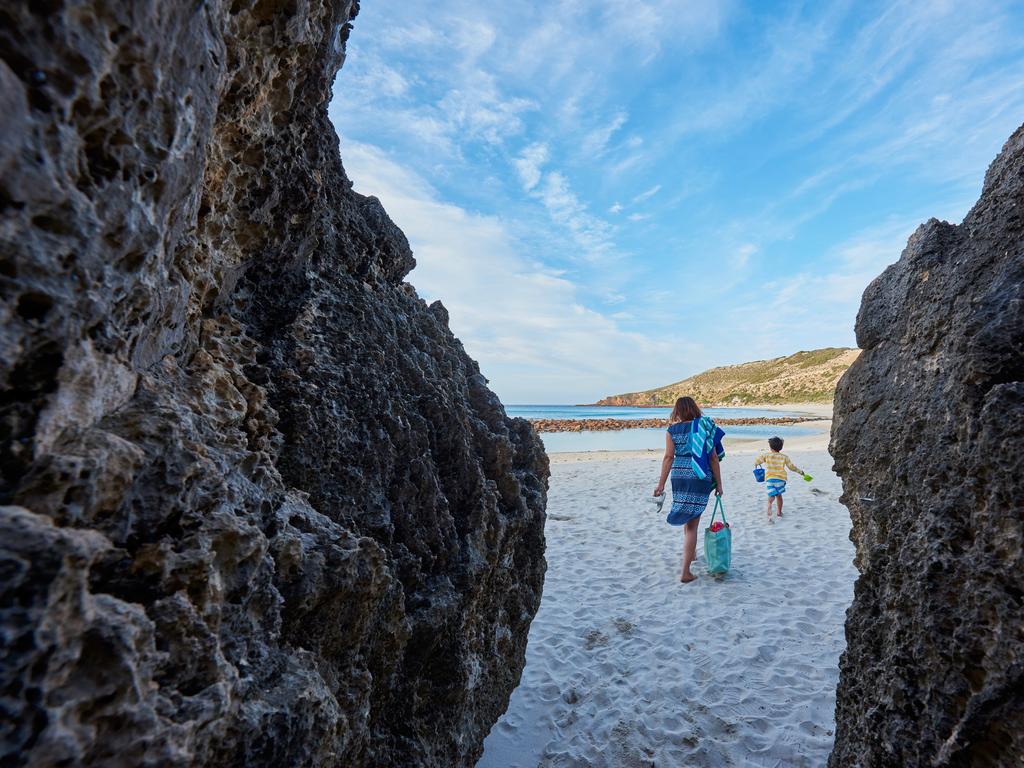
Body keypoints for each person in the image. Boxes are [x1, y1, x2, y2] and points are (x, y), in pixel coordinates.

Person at [654, 396, 724, 583]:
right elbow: (713, 458)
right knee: (693, 522)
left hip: (679, 475)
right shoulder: (704, 427)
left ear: (677, 411)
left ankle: (691, 554)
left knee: (687, 516)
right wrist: (719, 483)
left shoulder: (672, 430)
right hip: (698, 474)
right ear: (694, 408)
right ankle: (685, 572)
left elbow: (668, 457)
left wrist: (661, 484)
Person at [754, 436, 805, 523]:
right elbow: (791, 467)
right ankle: (779, 512)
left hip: (769, 479)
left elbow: (757, 461)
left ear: (770, 447)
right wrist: (801, 472)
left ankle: (770, 504)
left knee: (771, 496)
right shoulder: (784, 457)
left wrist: (756, 465)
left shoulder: (766, 455)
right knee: (779, 496)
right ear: (781, 447)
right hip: (780, 480)